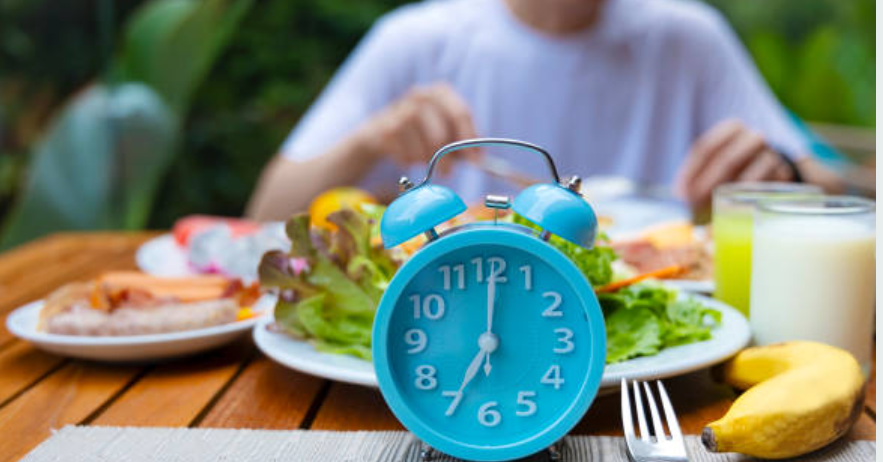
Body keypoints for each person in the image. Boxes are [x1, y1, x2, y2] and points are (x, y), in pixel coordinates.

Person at [247, 0, 842, 220]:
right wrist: (367, 142)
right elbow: (265, 211)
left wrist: (784, 174)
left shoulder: (690, 37)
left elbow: (834, 188)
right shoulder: (414, 39)